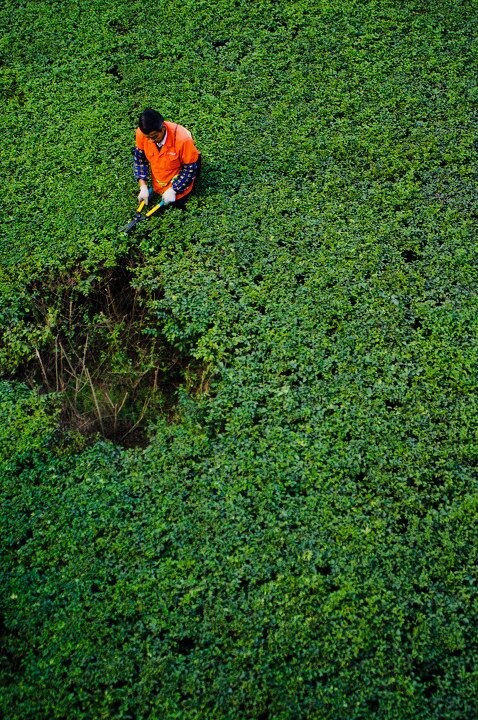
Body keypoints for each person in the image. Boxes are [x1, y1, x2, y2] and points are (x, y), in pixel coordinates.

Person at [133, 108, 201, 209]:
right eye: (147, 137)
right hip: (160, 177)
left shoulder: (182, 140)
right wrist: (143, 186)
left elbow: (190, 169)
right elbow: (140, 160)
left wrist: (174, 189)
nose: (151, 141)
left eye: (154, 137)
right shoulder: (142, 133)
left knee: (177, 204)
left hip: (182, 172)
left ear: (163, 128)